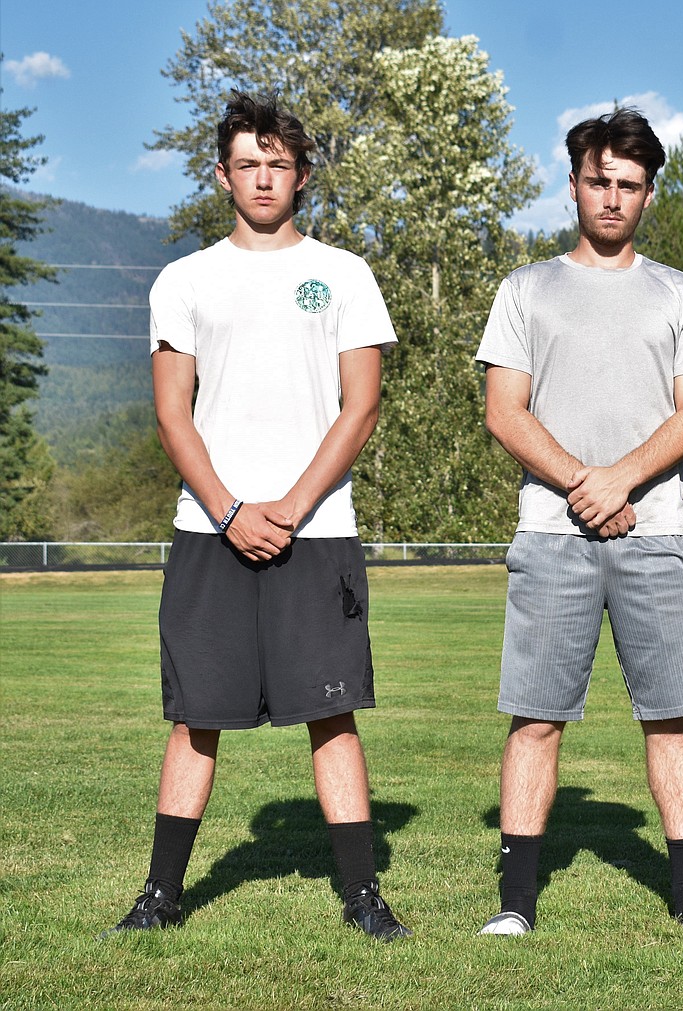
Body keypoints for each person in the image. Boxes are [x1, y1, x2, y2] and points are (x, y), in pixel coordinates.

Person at [103, 91, 410, 941]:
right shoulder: (185, 280)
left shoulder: (345, 273)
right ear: (222, 175)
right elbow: (173, 413)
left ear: (302, 174)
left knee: (332, 709)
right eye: (248, 162)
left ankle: (362, 895)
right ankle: (161, 895)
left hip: (318, 531)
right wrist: (232, 510)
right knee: (196, 713)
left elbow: (361, 405)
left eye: (279, 162)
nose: (264, 176)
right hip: (210, 531)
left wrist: (292, 505)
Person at [474, 108, 683, 937]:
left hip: (654, 530)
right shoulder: (525, 290)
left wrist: (618, 480)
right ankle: (515, 905)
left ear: (649, 194)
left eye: (629, 185)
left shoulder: (679, 293)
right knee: (537, 716)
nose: (612, 198)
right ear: (576, 183)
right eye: (599, 181)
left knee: (669, 713)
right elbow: (503, 411)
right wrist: (582, 485)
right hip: (552, 535)